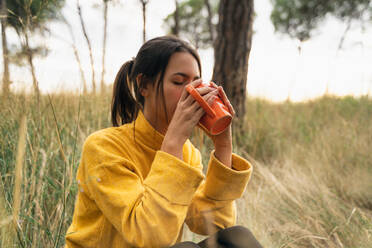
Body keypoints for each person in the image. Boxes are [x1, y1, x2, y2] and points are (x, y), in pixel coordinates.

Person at [65, 36, 262, 248]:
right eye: (179, 82)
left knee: (237, 237)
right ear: (144, 85)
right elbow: (149, 237)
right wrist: (173, 144)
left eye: (196, 82)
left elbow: (214, 224)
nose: (193, 94)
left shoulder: (187, 153)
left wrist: (223, 146)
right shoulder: (104, 147)